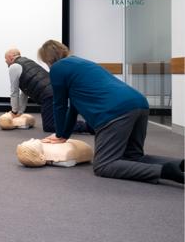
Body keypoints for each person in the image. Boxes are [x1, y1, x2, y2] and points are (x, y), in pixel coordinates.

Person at [38, 40, 184, 184]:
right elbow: (73, 109)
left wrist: (58, 134)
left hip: (114, 112)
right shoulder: (81, 63)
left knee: (103, 165)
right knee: (133, 157)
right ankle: (180, 165)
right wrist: (63, 135)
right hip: (139, 103)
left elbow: (59, 105)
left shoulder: (57, 69)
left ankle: (165, 172)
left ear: (47, 59)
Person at [4, 48, 93, 134]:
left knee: (51, 126)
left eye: (5, 58)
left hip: (48, 95)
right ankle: (89, 125)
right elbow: (24, 92)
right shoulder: (28, 62)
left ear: (11, 57)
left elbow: (14, 92)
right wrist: (20, 112)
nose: (5, 61)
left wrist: (14, 112)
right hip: (56, 91)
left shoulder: (14, 67)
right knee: (61, 119)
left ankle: (88, 127)